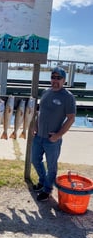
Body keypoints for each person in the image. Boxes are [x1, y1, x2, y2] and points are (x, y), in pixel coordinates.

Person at [31, 67, 76, 201]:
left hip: (52, 139)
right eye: (53, 77)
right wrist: (35, 125)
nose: (55, 80)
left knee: (52, 166)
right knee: (34, 160)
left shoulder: (68, 97)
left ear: (64, 80)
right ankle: (42, 181)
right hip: (39, 136)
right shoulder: (45, 92)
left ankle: (47, 189)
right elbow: (40, 112)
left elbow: (71, 118)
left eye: (58, 78)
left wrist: (58, 135)